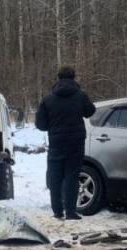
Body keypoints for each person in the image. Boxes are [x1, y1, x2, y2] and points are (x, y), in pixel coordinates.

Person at [35, 66, 96, 220]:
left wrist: (53, 126)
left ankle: (57, 211)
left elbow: (40, 124)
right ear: (74, 77)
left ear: (58, 78)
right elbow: (90, 111)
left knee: (55, 177)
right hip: (75, 143)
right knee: (72, 176)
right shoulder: (80, 96)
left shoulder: (48, 99)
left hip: (56, 142)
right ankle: (70, 211)